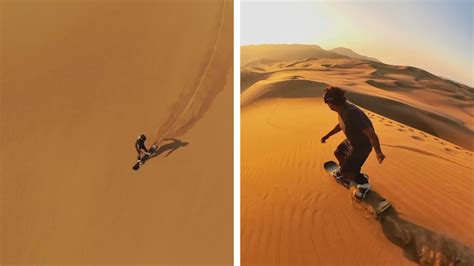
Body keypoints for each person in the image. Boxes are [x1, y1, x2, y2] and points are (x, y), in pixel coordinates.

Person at [321, 86, 385, 199]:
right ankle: (346, 170)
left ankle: (363, 183)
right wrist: (328, 135)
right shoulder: (341, 109)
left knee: (348, 171)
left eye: (326, 101)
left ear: (332, 102)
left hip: (361, 146)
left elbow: (371, 134)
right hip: (352, 141)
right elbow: (341, 124)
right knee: (339, 153)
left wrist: (378, 153)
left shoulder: (352, 113)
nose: (327, 105)